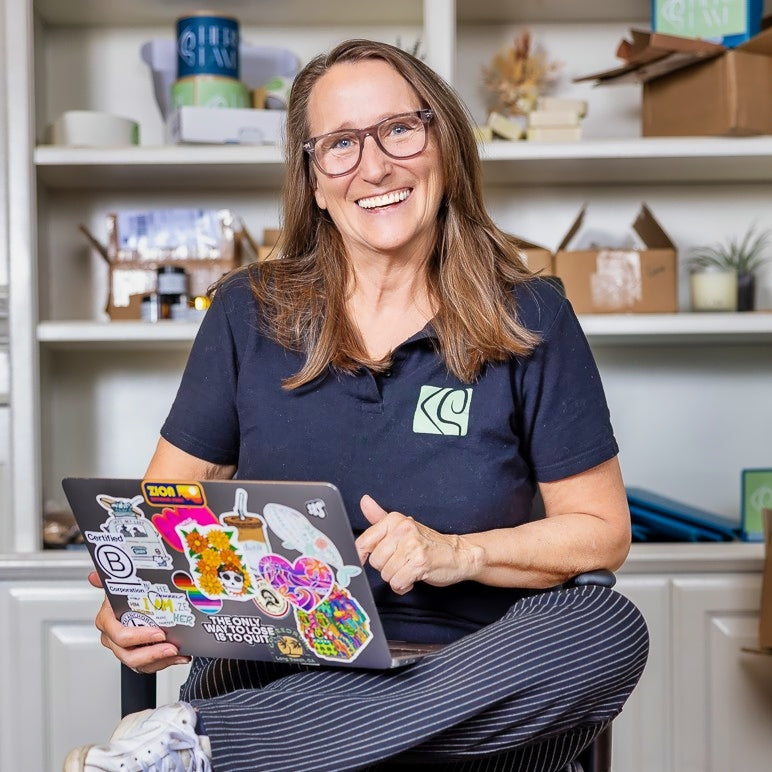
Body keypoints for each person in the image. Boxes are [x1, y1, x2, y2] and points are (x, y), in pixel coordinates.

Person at [64, 38, 648, 772]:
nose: (374, 166)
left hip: (474, 670)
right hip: (280, 666)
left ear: (444, 142)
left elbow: (600, 533)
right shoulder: (247, 313)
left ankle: (208, 750)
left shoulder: (531, 316)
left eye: (399, 129)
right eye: (339, 144)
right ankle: (291, 741)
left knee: (605, 625)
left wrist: (459, 553)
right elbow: (157, 522)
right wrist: (132, 605)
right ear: (312, 179)